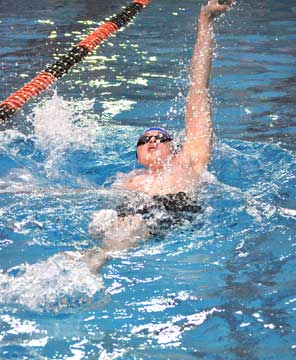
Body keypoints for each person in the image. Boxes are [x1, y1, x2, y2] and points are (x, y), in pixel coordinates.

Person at [80, 0, 235, 273]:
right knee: (108, 223)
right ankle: (91, 257)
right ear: (138, 156)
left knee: (133, 226)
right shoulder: (126, 181)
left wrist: (206, 19)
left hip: (173, 208)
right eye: (144, 140)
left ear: (174, 147)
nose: (151, 141)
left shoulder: (188, 160)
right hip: (130, 211)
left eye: (160, 138)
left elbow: (198, 88)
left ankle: (98, 258)